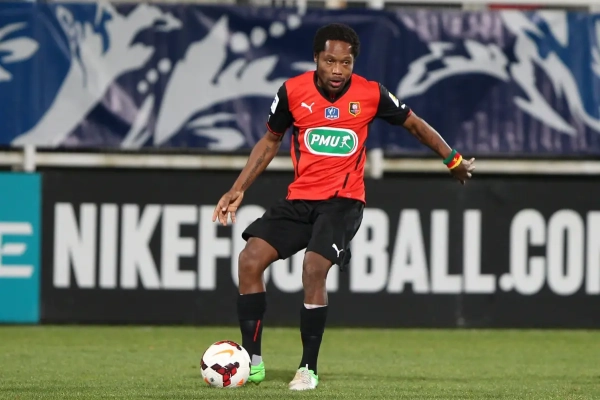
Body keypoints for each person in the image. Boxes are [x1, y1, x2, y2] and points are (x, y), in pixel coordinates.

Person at [212, 23, 475, 391]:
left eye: (346, 63)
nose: (337, 70)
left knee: (313, 267)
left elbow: (414, 124)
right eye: (330, 61)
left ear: (354, 63)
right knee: (249, 260)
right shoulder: (292, 92)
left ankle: (307, 368)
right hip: (300, 199)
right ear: (316, 59)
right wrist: (238, 188)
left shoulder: (371, 94)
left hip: (343, 202)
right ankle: (252, 362)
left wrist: (452, 159)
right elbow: (270, 141)